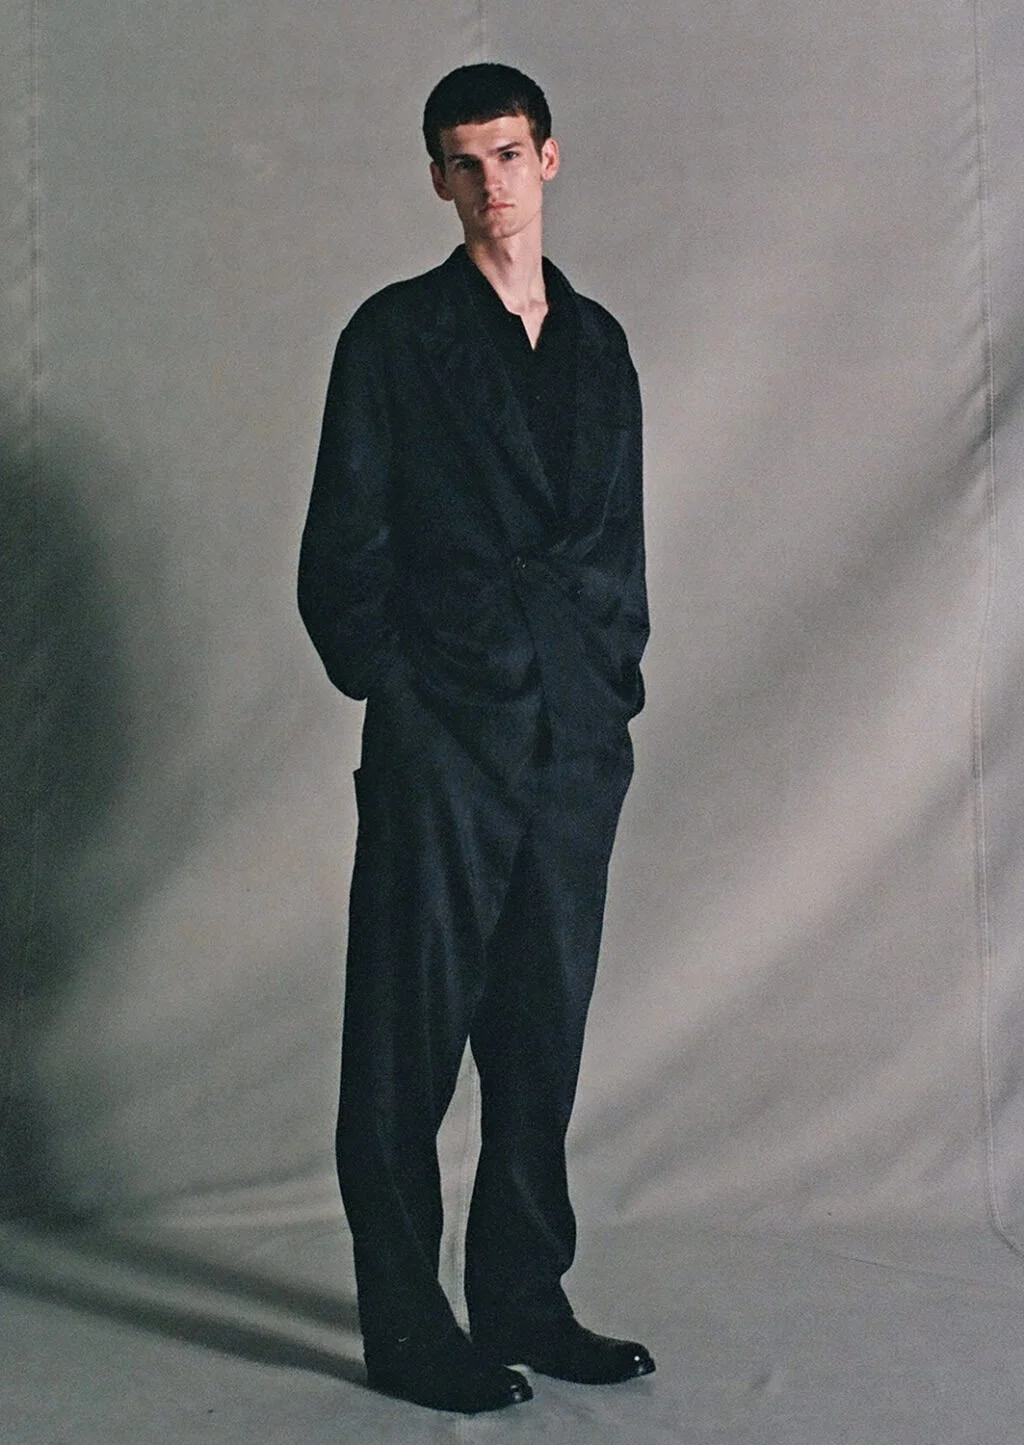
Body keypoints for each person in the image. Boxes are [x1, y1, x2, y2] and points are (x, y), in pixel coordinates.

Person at [298, 62, 653, 1415]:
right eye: (463, 161)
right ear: (438, 179)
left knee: (539, 1032)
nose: (488, 182)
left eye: (507, 154)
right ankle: (408, 1328)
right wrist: (403, 698)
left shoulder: (599, 343)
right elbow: (340, 554)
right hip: (442, 734)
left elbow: (617, 541)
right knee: (406, 1044)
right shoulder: (394, 338)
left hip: (572, 740)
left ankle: (522, 1298)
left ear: (548, 159)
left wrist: (608, 686)